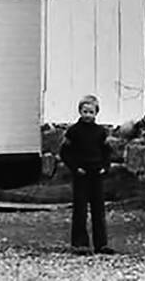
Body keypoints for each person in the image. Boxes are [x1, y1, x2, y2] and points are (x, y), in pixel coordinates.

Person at [60, 94, 114, 255]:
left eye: (91, 112)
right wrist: (75, 168)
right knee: (80, 209)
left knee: (98, 210)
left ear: (96, 113)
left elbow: (107, 151)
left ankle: (101, 243)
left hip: (97, 172)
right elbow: (65, 152)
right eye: (85, 111)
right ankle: (79, 243)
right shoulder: (73, 131)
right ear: (80, 112)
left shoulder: (100, 132)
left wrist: (105, 166)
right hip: (81, 173)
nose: (88, 115)